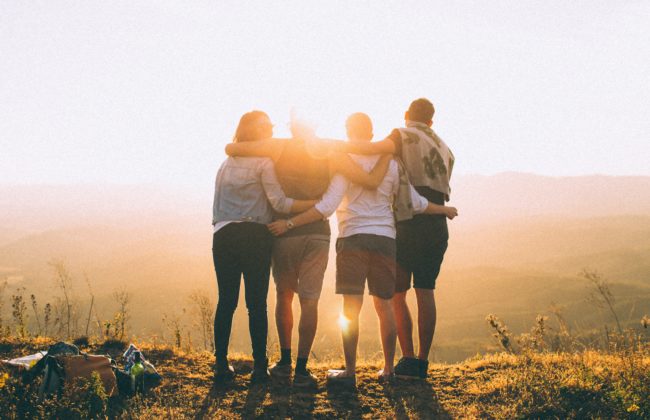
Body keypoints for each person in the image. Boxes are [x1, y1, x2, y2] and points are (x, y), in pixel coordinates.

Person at [268, 113, 457, 385]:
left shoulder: (344, 162)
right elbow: (415, 202)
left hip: (353, 238)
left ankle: (350, 372)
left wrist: (290, 223)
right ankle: (389, 370)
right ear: (371, 133)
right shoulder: (391, 163)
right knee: (385, 306)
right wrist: (444, 209)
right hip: (385, 239)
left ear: (348, 131)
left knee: (351, 308)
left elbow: (327, 206)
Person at [224, 118, 391, 387]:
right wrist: (386, 150)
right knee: (310, 301)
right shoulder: (331, 151)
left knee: (284, 295)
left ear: (291, 127)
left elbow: (232, 149)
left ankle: (284, 362)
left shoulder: (277, 147)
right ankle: (302, 370)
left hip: (284, 233)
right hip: (317, 234)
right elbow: (368, 180)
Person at [334, 98, 456, 379]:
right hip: (435, 223)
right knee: (426, 291)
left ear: (406, 115)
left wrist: (333, 147)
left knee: (396, 294)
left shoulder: (401, 135)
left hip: (408, 221)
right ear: (432, 120)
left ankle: (407, 359)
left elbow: (373, 149)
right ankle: (421, 363)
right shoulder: (445, 147)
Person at [211, 111, 317, 383]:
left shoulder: (226, 163)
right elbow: (280, 204)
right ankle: (259, 368)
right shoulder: (264, 162)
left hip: (223, 235)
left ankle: (221, 366)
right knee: (256, 304)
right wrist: (314, 204)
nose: (271, 128)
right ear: (254, 131)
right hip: (255, 236)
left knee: (226, 301)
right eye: (265, 126)